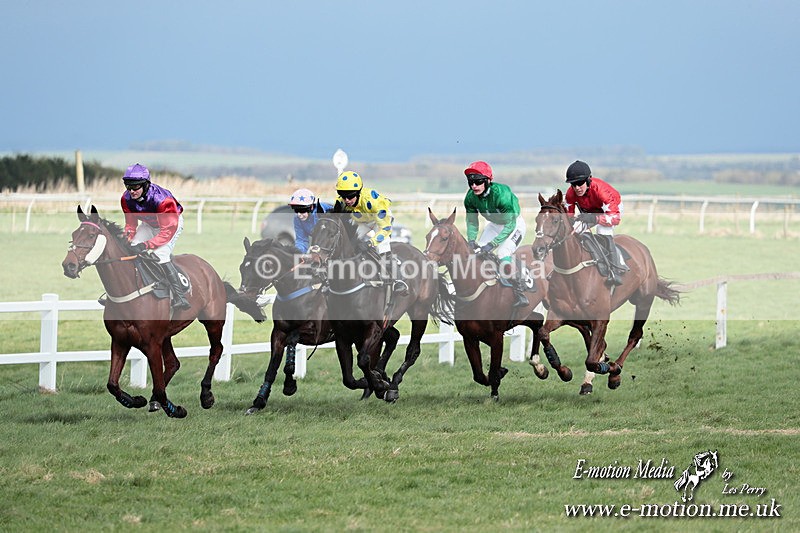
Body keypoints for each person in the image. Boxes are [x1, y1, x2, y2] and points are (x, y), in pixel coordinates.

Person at [121, 163, 190, 310]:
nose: (131, 191)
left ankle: (180, 296)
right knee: (131, 248)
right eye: (128, 187)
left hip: (171, 225)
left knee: (160, 255)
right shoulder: (126, 199)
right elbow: (131, 225)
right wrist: (126, 239)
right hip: (148, 224)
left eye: (135, 187)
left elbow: (166, 232)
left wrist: (146, 245)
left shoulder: (163, 200)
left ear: (145, 185)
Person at [463, 160, 529, 308]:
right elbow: (472, 221)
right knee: (476, 252)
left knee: (502, 252)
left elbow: (510, 224)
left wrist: (492, 244)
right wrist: (472, 240)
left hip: (513, 224)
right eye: (471, 182)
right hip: (494, 225)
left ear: (487, 181)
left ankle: (519, 291)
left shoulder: (502, 194)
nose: (474, 186)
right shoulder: (470, 197)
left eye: (478, 182)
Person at [334, 170, 408, 295]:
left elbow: (385, 229)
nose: (346, 200)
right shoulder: (341, 201)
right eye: (343, 195)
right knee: (350, 243)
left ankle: (398, 279)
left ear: (358, 192)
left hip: (380, 221)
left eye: (350, 196)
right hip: (362, 221)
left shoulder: (374, 202)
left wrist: (370, 243)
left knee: (382, 246)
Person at [564, 160, 626, 286]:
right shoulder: (571, 193)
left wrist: (595, 219)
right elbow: (568, 216)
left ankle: (615, 270)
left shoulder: (601, 191)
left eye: (580, 183)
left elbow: (615, 218)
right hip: (591, 212)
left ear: (588, 180)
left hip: (611, 211)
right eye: (573, 184)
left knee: (603, 230)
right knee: (576, 229)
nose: (576, 188)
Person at [288, 188, 333, 254]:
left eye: (302, 211)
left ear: (311, 207)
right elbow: (301, 240)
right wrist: (298, 253)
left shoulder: (322, 212)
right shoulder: (297, 218)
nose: (299, 215)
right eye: (296, 210)